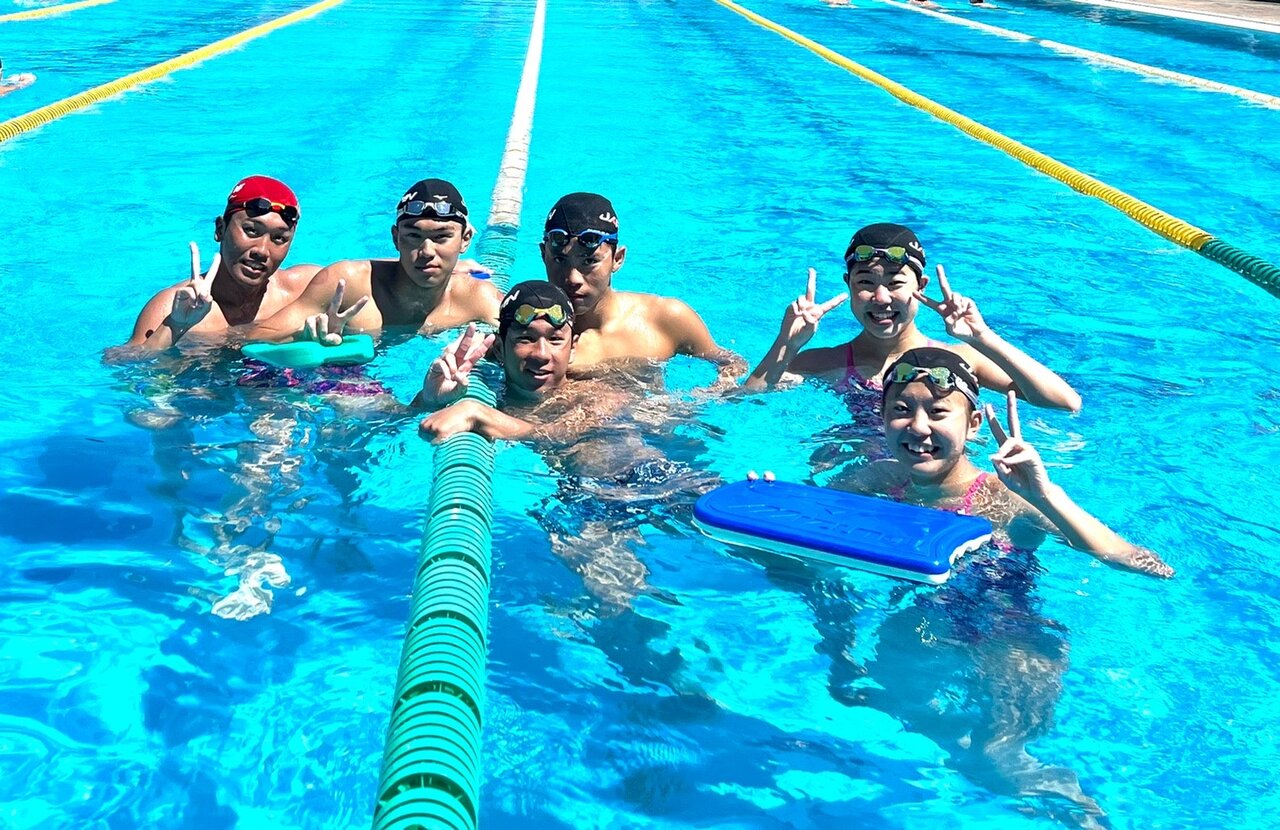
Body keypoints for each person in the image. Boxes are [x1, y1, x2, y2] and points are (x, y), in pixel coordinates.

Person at [829, 347, 1172, 576]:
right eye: (901, 410)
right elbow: (813, 515)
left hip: (1004, 636)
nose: (918, 427)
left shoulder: (1006, 499)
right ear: (883, 418)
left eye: (937, 412)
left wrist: (1044, 497)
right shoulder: (881, 478)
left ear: (973, 424)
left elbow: (1136, 562)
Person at [745, 223, 1082, 416]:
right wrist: (786, 344)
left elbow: (1065, 403)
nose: (881, 297)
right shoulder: (823, 362)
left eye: (895, 283)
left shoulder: (960, 360)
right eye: (865, 283)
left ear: (921, 287)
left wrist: (983, 338)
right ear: (848, 285)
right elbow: (747, 400)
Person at [246, 178, 500, 344]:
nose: (426, 251)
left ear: (465, 240)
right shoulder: (348, 285)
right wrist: (303, 337)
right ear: (396, 238)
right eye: (413, 236)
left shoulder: (478, 299)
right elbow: (256, 338)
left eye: (441, 237)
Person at [537, 192, 745, 388]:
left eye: (589, 261)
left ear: (617, 259)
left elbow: (731, 362)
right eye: (559, 260)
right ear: (543, 254)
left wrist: (711, 394)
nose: (572, 278)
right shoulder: (534, 336)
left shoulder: (665, 318)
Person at [118, 176, 320, 351]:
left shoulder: (306, 290)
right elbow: (124, 366)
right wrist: (175, 326)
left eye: (279, 238)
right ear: (220, 229)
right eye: (251, 230)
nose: (262, 250)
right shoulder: (169, 308)